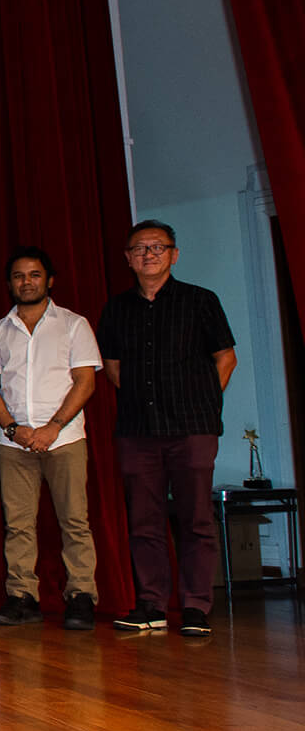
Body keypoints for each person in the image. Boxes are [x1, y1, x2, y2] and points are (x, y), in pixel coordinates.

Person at [99, 220, 236, 637]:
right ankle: (151, 604)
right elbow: (113, 368)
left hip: (193, 427)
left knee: (195, 519)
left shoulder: (201, 301)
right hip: (139, 430)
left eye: (158, 248)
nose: (149, 255)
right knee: (144, 521)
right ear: (128, 258)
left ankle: (195, 606)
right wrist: (145, 398)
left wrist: (203, 402)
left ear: (174, 254)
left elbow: (225, 358)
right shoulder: (116, 308)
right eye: (140, 249)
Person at [0, 246, 102, 630]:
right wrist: (15, 429)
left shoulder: (73, 325)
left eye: (34, 275)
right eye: (18, 276)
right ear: (9, 284)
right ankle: (22, 596)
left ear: (49, 280)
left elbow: (85, 382)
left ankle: (81, 595)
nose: (26, 282)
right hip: (14, 443)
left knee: (74, 521)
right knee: (18, 524)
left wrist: (53, 427)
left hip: (64, 439)